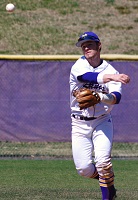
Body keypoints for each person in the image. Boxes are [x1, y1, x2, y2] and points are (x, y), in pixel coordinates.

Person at [69, 31, 130, 200]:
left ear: (99, 45)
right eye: (83, 46)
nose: (86, 48)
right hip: (79, 124)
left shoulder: (111, 69)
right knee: (84, 169)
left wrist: (101, 97)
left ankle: (107, 195)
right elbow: (86, 76)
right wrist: (111, 77)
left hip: (102, 121)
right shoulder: (79, 66)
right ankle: (108, 183)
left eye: (89, 44)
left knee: (103, 163)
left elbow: (116, 98)